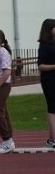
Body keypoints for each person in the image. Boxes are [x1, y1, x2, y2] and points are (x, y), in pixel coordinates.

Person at [38, 19, 55, 148]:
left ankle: (51, 138)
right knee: (52, 108)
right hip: (49, 79)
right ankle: (53, 139)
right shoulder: (44, 46)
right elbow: (41, 66)